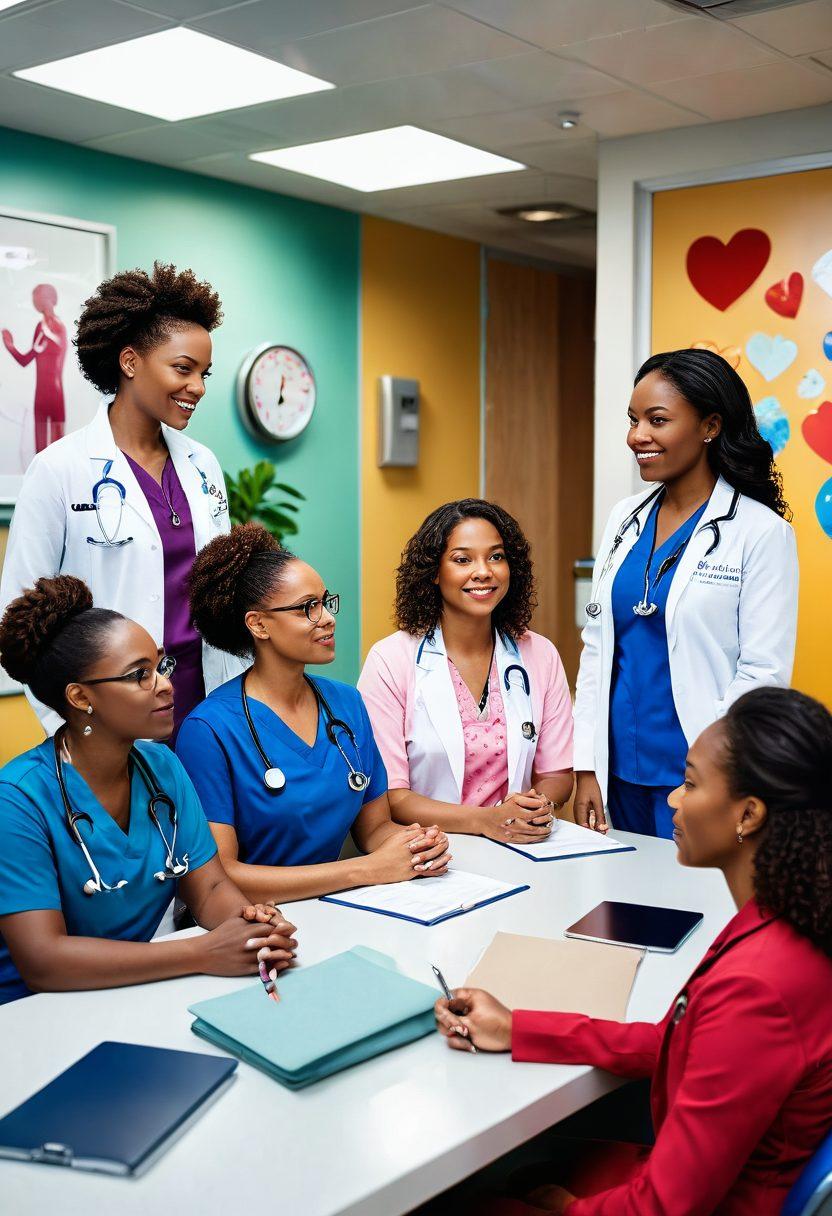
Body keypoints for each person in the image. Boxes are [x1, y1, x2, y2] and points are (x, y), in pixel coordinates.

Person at [435, 686, 832, 1216]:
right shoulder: (787, 918)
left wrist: (566, 1209)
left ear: (749, 814)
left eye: (690, 783)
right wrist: (519, 1028)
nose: (672, 798)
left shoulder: (759, 985)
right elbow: (686, 1043)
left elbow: (662, 1208)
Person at [0, 576, 297, 1006]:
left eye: (161, 666)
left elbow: (209, 889)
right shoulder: (18, 799)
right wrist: (200, 952)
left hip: (135, 993)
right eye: (140, 675)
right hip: (34, 1016)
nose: (164, 685)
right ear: (82, 697)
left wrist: (250, 924)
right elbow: (43, 960)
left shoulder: (162, 765)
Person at [0, 262, 242, 740]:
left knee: (204, 816)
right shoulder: (60, 469)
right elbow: (20, 619)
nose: (199, 387)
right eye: (183, 369)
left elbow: (221, 591)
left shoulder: (202, 465)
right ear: (130, 363)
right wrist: (70, 726)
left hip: (205, 703)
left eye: (204, 373)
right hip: (109, 716)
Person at [573, 348, 797, 839]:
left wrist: (708, 775)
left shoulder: (759, 533)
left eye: (657, 420)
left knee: (697, 911)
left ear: (709, 425)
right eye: (633, 420)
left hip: (698, 775)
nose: (638, 436)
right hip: (617, 772)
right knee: (614, 911)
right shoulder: (623, 519)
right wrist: (585, 764)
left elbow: (763, 674)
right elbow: (596, 646)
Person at [175, 524, 451, 902]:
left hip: (336, 907)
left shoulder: (346, 704)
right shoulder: (209, 730)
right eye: (308, 607)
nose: (327, 618)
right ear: (258, 624)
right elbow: (221, 876)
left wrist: (414, 844)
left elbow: (375, 829)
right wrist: (365, 870)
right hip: (252, 925)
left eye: (325, 602)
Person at [358, 500, 573, 845]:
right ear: (433, 571)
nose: (483, 571)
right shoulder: (391, 659)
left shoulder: (540, 654)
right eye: (462, 559)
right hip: (433, 853)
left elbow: (557, 774)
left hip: (522, 845)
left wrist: (536, 807)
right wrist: (487, 821)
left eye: (496, 556)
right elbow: (393, 797)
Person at [2, 282, 68, 452]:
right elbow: (28, 358)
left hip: (46, 396)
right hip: (52, 395)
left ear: (44, 299)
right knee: (51, 450)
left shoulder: (48, 327)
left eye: (35, 298)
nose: (34, 303)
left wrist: (10, 344)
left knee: (50, 450)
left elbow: (25, 359)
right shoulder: (52, 327)